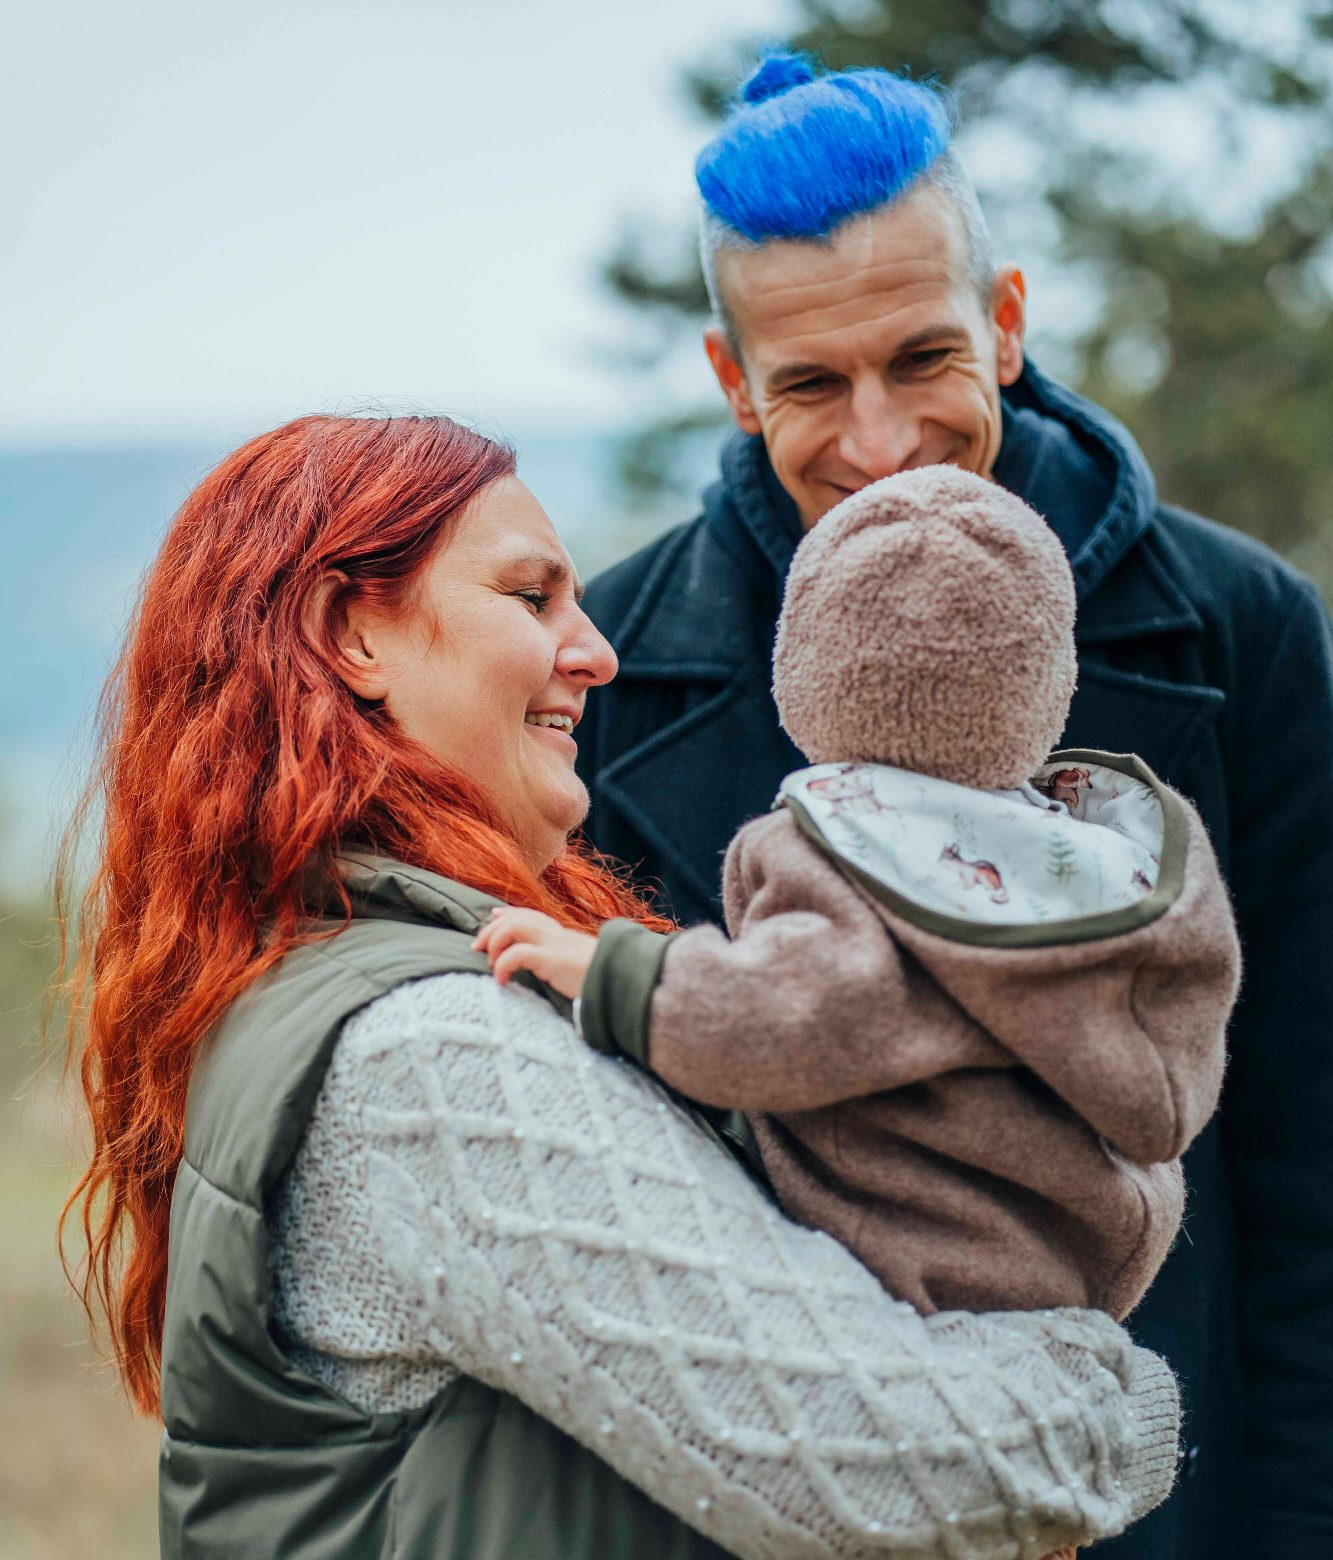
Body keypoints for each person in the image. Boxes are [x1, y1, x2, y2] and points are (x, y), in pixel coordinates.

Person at [58, 414, 1180, 1560]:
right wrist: (1118, 1389)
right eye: (531, 597)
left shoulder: (343, 981)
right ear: (351, 636)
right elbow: (909, 1465)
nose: (596, 653)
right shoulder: (430, 1055)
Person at [575, 51, 1333, 1560]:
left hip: (1157, 1501)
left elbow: (1309, 1157)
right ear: (732, 382)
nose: (877, 444)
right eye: (810, 384)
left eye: (922, 359)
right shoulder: (604, 672)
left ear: (1005, 321)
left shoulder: (1243, 632)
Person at [480, 462, 1239, 1322]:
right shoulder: (1112, 843)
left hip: (916, 1253)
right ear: (1048, 669)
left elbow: (796, 1009)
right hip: (1085, 1250)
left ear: (804, 665)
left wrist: (616, 974)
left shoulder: (842, 850)